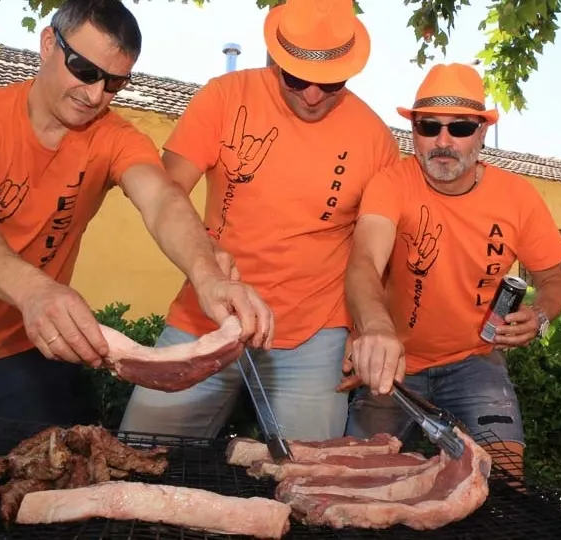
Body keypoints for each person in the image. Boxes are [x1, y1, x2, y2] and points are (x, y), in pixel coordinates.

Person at [0, 0, 272, 443]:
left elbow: (162, 200)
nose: (94, 95)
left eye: (114, 83)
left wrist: (207, 275)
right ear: (49, 44)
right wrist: (34, 291)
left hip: (27, 351)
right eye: (84, 71)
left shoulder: (116, 137)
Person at [118, 0, 402, 440]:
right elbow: (165, 191)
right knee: (139, 453)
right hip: (206, 315)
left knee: (310, 484)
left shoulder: (377, 140)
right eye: (296, 79)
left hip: (314, 336)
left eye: (331, 84)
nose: (311, 96)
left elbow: (372, 254)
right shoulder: (224, 96)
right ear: (275, 56)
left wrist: (365, 325)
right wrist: (208, 262)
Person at [341, 63, 561, 477]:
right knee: (360, 479)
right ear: (414, 132)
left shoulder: (517, 196)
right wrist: (373, 329)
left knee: (502, 484)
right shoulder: (392, 183)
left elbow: (554, 279)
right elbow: (364, 261)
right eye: (429, 127)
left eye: (460, 129)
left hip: (475, 363)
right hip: (395, 365)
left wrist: (540, 316)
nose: (443, 142)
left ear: (481, 134)